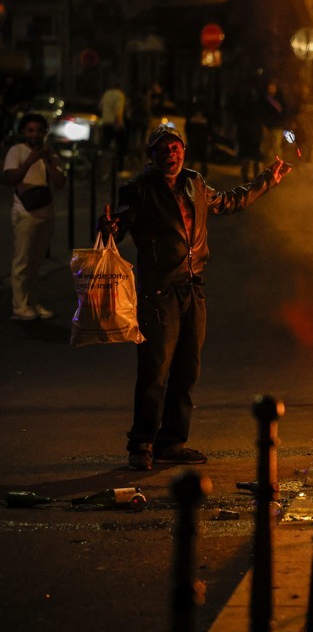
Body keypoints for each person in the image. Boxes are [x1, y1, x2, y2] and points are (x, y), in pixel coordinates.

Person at [98, 125, 292, 470]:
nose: (169, 154)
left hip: (193, 287)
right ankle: (141, 443)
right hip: (158, 290)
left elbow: (229, 202)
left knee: (188, 369)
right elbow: (121, 224)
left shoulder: (195, 183)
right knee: (155, 369)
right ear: (151, 155)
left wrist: (268, 180)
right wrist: (110, 227)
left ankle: (171, 441)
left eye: (175, 148)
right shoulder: (139, 189)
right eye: (162, 149)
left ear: (183, 151)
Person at [4, 113, 66, 321]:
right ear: (23, 132)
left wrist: (47, 160)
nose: (35, 135)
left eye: (39, 131)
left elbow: (59, 182)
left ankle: (33, 302)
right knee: (22, 261)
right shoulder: (16, 151)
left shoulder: (49, 154)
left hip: (46, 212)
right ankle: (20, 306)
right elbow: (11, 178)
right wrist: (29, 161)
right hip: (25, 212)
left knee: (37, 261)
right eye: (30, 130)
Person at [99, 80, 128, 174]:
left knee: (105, 146)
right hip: (115, 123)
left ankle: (101, 168)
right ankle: (120, 169)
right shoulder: (119, 95)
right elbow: (118, 110)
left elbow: (100, 106)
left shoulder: (106, 94)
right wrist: (119, 123)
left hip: (106, 122)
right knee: (121, 147)